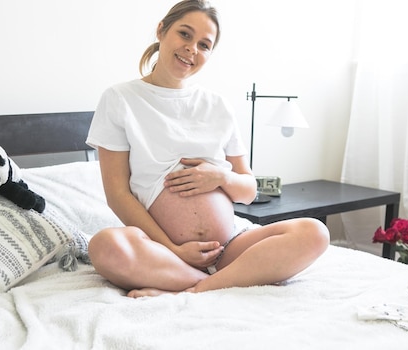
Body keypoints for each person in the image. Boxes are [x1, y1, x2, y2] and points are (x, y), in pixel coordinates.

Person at [85, 0, 329, 298]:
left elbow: (249, 190)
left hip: (228, 248)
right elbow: (118, 195)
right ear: (161, 30)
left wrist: (221, 178)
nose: (192, 49)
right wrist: (172, 249)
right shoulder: (120, 99)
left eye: (204, 44)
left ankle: (193, 289)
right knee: (104, 246)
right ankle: (222, 280)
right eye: (185, 34)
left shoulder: (217, 106)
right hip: (162, 251)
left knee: (315, 232)